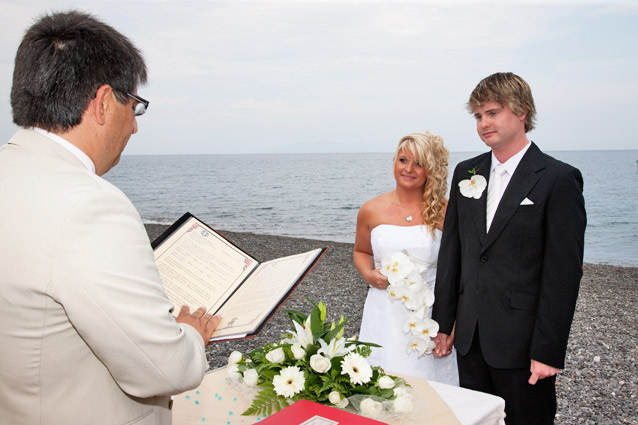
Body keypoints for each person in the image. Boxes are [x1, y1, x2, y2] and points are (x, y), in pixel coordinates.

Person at [0, 10, 221, 425]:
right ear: (103, 102)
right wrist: (190, 331)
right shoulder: (90, 205)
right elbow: (163, 369)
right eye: (134, 107)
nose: (134, 129)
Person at [432, 72, 586, 425]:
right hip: (470, 337)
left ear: (522, 112)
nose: (484, 123)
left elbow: (563, 273)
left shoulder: (558, 179)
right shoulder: (465, 172)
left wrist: (548, 351)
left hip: (523, 342)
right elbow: (452, 252)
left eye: (493, 112)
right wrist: (444, 322)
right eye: (478, 116)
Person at [354, 131, 459, 385]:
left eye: (419, 163)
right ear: (394, 162)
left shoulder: (447, 210)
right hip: (384, 313)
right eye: (403, 160)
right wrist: (369, 274)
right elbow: (362, 251)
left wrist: (451, 328)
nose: (409, 169)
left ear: (430, 170)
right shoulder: (371, 209)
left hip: (430, 315)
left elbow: (459, 271)